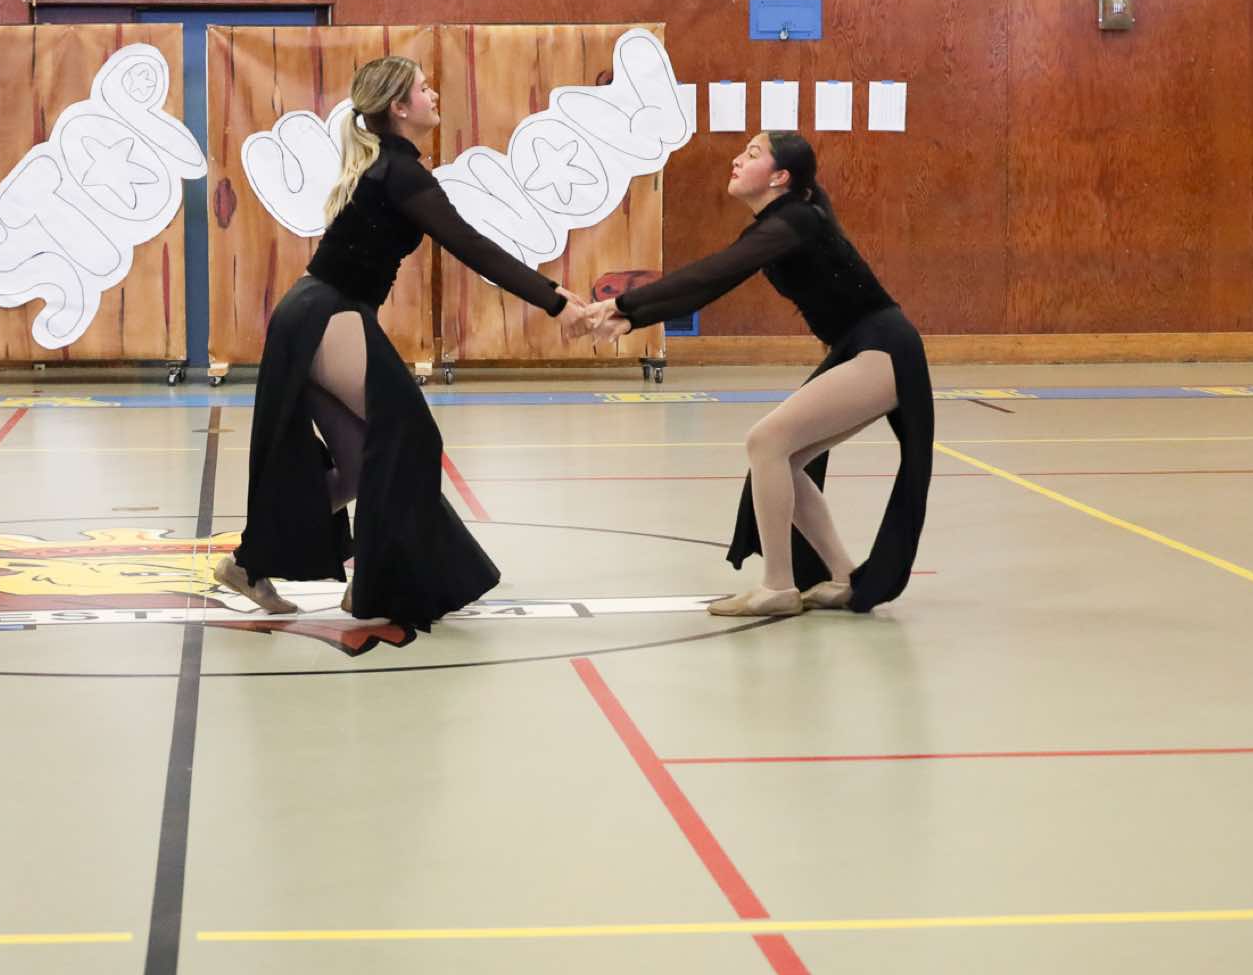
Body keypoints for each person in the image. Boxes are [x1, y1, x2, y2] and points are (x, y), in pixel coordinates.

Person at [218, 56, 593, 630]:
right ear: (399, 107)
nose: (434, 94)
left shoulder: (392, 168)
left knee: (358, 467)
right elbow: (469, 245)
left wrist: (551, 294)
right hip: (329, 314)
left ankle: (249, 565)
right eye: (423, 88)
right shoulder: (400, 173)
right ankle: (372, 582)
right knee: (412, 434)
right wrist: (553, 299)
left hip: (315, 316)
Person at [586, 131, 932, 617]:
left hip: (882, 348)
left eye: (752, 154)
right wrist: (631, 318)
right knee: (784, 456)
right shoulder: (781, 223)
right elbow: (710, 286)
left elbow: (713, 271)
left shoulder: (796, 220)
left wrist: (623, 302)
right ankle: (842, 575)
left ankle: (778, 586)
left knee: (766, 442)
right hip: (864, 348)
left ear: (779, 177)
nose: (736, 159)